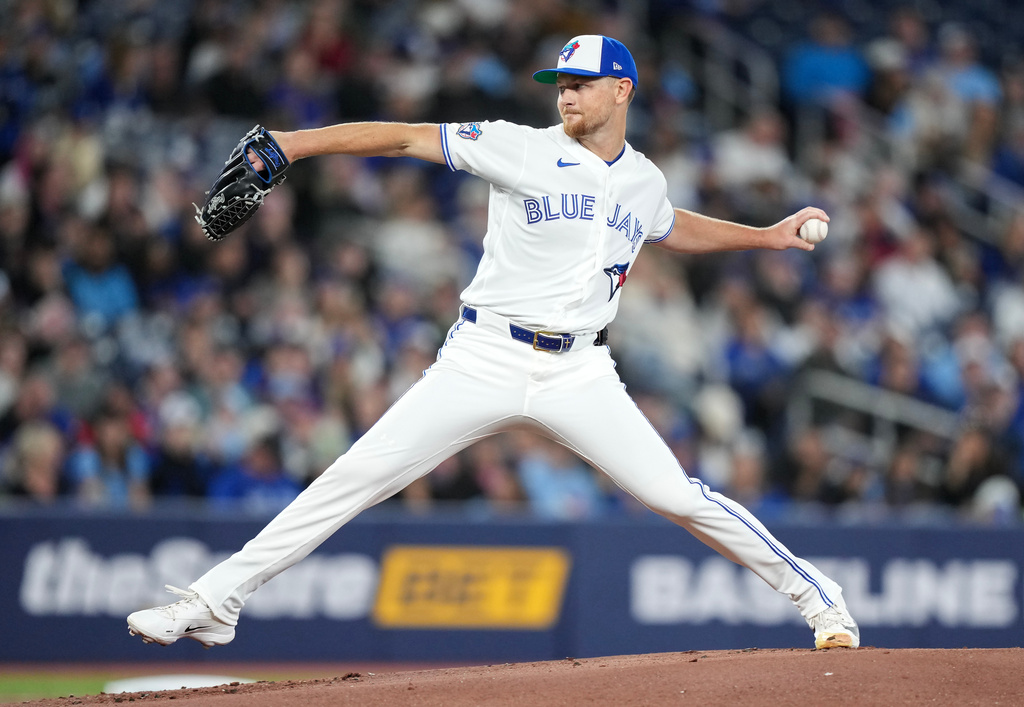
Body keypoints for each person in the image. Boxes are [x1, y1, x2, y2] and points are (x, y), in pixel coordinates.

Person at [127, 35, 859, 651]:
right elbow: (408, 137)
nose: (567, 95)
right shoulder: (518, 147)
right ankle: (216, 599)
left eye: (582, 83)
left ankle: (818, 599)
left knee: (676, 494)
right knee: (353, 476)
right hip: (484, 356)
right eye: (560, 84)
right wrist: (293, 143)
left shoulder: (643, 180)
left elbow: (672, 225)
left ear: (622, 91)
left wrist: (765, 236)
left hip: (580, 369)